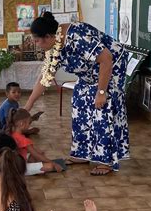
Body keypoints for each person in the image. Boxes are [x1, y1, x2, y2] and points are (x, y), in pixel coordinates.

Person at [25, 12, 129, 175]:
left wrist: (101, 92)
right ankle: (82, 154)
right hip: (89, 73)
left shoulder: (77, 37)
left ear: (48, 36)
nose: (36, 44)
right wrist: (28, 106)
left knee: (102, 108)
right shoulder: (54, 47)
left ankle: (106, 160)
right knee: (79, 103)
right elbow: (45, 78)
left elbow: (106, 58)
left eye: (37, 40)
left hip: (111, 66)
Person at [6, 108, 62, 175]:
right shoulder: (23, 140)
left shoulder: (11, 133)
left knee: (38, 152)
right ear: (21, 123)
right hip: (19, 168)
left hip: (14, 163)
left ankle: (35, 166)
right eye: (29, 123)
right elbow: (37, 155)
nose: (29, 126)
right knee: (50, 166)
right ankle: (35, 168)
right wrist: (53, 163)